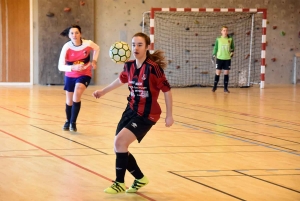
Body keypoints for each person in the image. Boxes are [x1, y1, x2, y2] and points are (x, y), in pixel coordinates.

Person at [92, 32, 174, 194]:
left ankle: (119, 183)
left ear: (147, 47)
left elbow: (167, 90)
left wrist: (169, 115)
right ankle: (140, 178)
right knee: (119, 146)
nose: (135, 48)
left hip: (147, 115)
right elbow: (121, 80)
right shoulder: (129, 65)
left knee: (120, 143)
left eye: (139, 45)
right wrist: (103, 91)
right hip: (130, 109)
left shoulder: (153, 68)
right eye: (133, 44)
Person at [58, 25, 100, 132]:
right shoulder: (66, 47)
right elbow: (60, 66)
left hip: (84, 74)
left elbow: (97, 48)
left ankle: (73, 122)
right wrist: (73, 67)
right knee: (69, 100)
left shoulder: (88, 43)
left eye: (76, 33)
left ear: (80, 34)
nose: (74, 35)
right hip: (70, 75)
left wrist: (94, 61)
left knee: (77, 94)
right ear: (69, 35)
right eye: (72, 33)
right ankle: (68, 120)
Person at [212, 25, 234, 93]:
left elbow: (232, 48)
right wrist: (213, 54)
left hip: (227, 58)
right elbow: (216, 48)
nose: (225, 31)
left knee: (226, 73)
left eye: (226, 30)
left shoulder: (230, 39)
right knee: (218, 73)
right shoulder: (218, 39)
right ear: (221, 31)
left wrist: (232, 52)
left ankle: (225, 88)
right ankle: (215, 86)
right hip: (219, 58)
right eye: (224, 30)